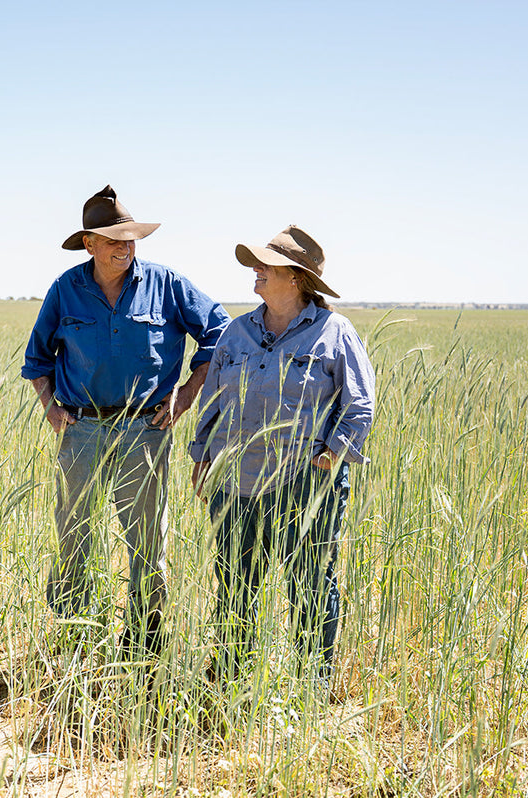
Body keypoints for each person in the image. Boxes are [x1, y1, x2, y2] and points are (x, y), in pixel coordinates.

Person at [22, 185, 231, 657]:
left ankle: (146, 642)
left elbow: (219, 334)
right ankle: (75, 638)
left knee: (145, 539)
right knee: (74, 531)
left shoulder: (167, 284)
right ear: (89, 244)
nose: (124, 246)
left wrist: (185, 396)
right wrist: (52, 409)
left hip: (145, 430)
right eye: (112, 238)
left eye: (130, 237)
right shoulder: (65, 290)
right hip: (83, 431)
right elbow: (37, 360)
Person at [189, 225, 374, 686]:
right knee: (235, 584)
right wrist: (202, 455)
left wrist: (331, 455)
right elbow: (213, 401)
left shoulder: (335, 332)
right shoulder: (236, 333)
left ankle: (310, 687)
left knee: (310, 584)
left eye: (265, 265)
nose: (255, 270)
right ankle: (231, 683)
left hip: (305, 484)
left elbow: (360, 403)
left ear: (295, 278)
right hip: (237, 483)